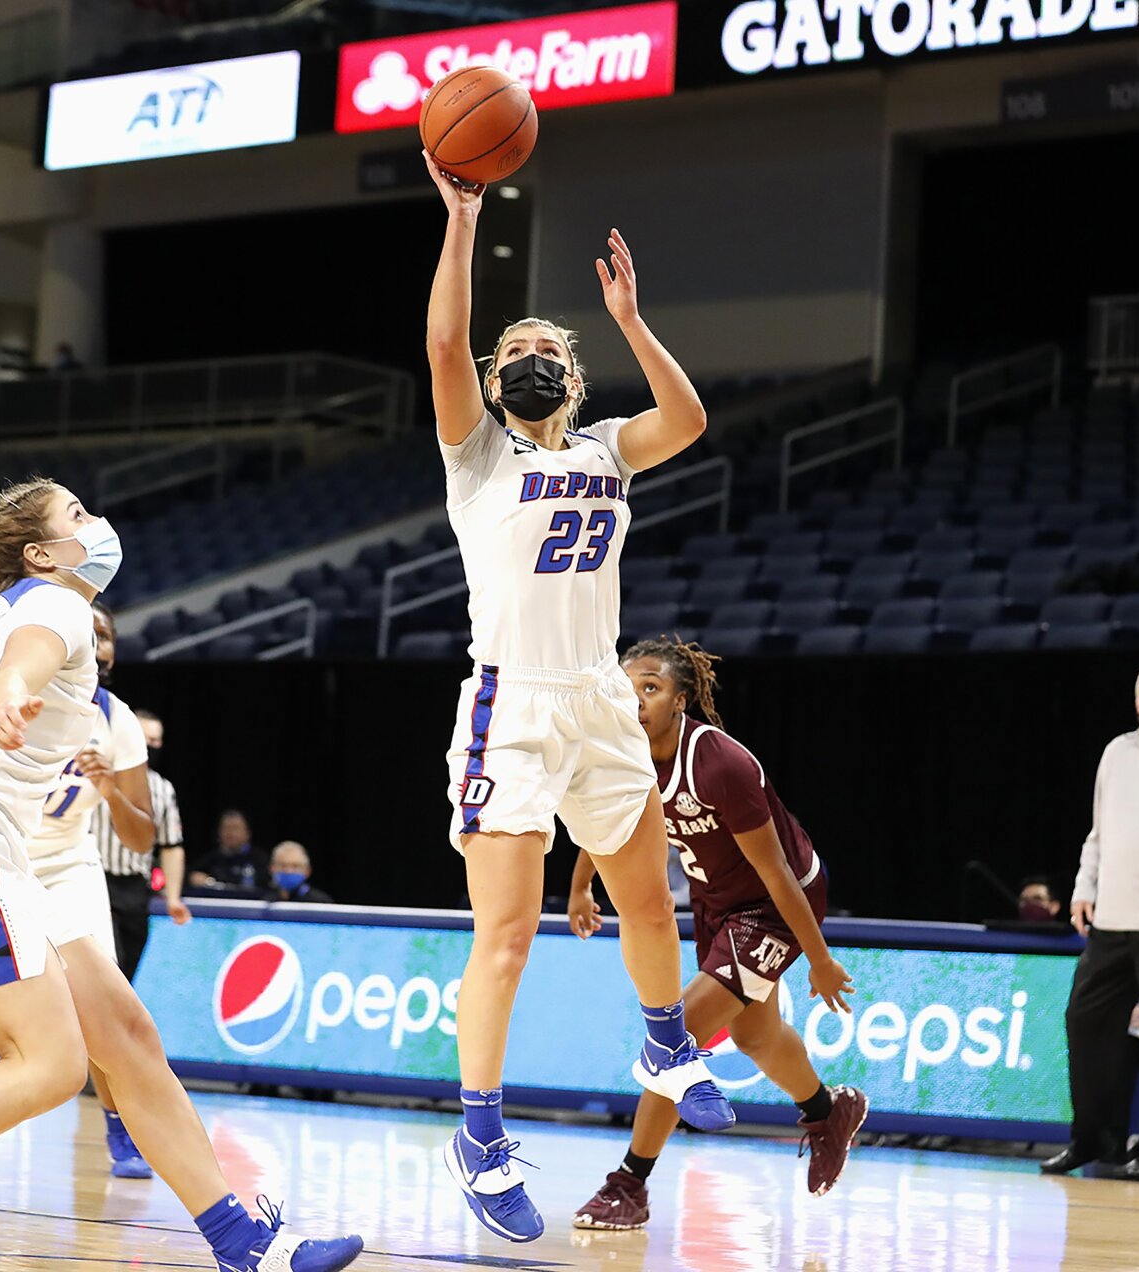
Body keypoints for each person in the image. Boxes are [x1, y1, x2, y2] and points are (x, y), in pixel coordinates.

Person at [0, 478, 363, 1272]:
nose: (101, 524)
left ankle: (242, 1242)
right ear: (42, 552)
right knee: (50, 1065)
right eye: (79, 516)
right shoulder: (56, 603)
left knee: (126, 1036)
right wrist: (11, 693)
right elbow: (29, 658)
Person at [423, 151, 730, 1246]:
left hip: (598, 700)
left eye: (549, 347)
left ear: (577, 378)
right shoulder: (476, 457)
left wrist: (631, 320)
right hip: (510, 706)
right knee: (503, 936)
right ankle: (480, 1133)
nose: (529, 355)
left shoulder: (607, 447)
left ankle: (660, 1037)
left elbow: (687, 420)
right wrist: (464, 220)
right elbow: (446, 343)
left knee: (652, 905)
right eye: (519, 349)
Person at [569, 640, 863, 1229]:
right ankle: (827, 1112)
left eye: (650, 687)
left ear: (681, 699)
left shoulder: (720, 764)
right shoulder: (624, 754)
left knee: (673, 1040)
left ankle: (629, 1184)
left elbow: (776, 872)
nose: (636, 698)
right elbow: (603, 824)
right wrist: (581, 888)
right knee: (756, 1034)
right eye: (627, 687)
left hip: (776, 901)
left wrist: (819, 958)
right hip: (716, 903)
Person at [0, 603, 189, 1182]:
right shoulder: (4, 689)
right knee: (12, 997)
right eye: (88, 630)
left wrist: (110, 790)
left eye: (106, 634)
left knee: (105, 1012)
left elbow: (141, 838)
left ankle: (121, 1130)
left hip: (68, 865)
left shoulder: (116, 720)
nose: (98, 640)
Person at [1043, 661, 1139, 1183]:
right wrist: (1084, 888)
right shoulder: (1116, 753)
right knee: (1085, 1019)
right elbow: (1098, 831)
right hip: (1113, 920)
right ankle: (1094, 1140)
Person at [97, 707, 190, 984]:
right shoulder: (99, 776)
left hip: (136, 889)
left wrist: (173, 898)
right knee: (109, 968)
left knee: (127, 975)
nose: (151, 745)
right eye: (144, 737)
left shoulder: (163, 789)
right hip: (97, 881)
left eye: (156, 740)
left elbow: (171, 846)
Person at [188, 810, 269, 891]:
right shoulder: (209, 859)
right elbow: (193, 875)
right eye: (226, 828)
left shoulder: (261, 860)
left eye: (235, 828)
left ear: (247, 833)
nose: (230, 833)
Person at [266, 842, 333, 904]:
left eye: (295, 866)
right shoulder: (265, 902)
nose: (288, 871)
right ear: (272, 869)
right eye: (283, 865)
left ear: (307, 871)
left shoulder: (321, 903)